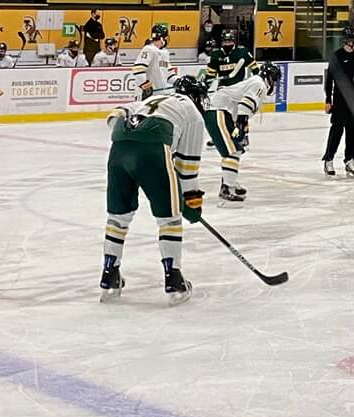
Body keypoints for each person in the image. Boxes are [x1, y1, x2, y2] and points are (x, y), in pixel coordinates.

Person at [100, 75, 206, 304]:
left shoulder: (154, 99)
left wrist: (130, 135)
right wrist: (192, 202)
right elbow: (187, 169)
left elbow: (115, 115)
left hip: (119, 146)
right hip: (154, 147)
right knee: (169, 219)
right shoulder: (193, 114)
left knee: (118, 217)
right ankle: (174, 280)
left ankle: (109, 276)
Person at [203, 61, 281, 203]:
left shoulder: (256, 82)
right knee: (233, 151)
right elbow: (245, 106)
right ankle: (227, 188)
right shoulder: (259, 84)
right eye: (274, 79)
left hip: (222, 112)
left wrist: (242, 130)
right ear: (270, 76)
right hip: (219, 111)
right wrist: (241, 129)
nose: (274, 83)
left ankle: (229, 181)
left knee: (236, 150)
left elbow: (243, 110)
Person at [323, 25, 354, 177]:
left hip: (353, 99)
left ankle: (350, 159)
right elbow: (329, 80)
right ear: (349, 41)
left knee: (352, 131)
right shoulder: (337, 56)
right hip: (340, 99)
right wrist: (328, 100)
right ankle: (328, 159)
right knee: (337, 130)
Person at [135, 24, 172, 97]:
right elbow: (138, 68)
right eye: (166, 38)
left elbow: (169, 73)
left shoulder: (165, 52)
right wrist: (145, 85)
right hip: (149, 95)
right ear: (162, 38)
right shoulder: (149, 49)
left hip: (161, 94)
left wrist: (179, 81)